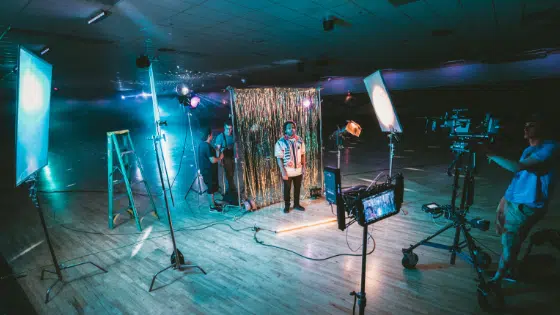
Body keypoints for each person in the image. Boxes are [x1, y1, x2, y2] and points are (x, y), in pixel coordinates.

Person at [487, 113, 558, 284]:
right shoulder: (529, 150)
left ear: (543, 127)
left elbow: (517, 168)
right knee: (509, 240)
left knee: (510, 242)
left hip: (527, 205)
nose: (526, 128)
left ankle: (498, 280)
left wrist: (489, 154)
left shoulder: (551, 148)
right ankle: (510, 268)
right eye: (525, 124)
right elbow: (519, 178)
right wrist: (504, 199)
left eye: (531, 125)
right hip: (515, 202)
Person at [275, 121, 306, 213]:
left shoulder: (300, 140)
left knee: (297, 188)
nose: (291, 129)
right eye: (289, 128)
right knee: (287, 189)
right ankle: (287, 206)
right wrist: (283, 171)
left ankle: (296, 204)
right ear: (285, 130)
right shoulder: (280, 142)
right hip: (287, 171)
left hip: (298, 170)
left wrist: (304, 167)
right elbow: (279, 158)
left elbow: (303, 154)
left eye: (293, 127)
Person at [198, 127, 224, 212]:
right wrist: (220, 157)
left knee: (211, 188)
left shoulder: (202, 144)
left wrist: (216, 149)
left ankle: (213, 203)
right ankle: (212, 207)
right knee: (210, 189)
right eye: (212, 134)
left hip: (206, 170)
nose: (212, 136)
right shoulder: (207, 146)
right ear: (209, 135)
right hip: (208, 171)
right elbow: (212, 160)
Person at [214, 121, 237, 203]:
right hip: (225, 158)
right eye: (228, 129)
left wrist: (236, 156)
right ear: (224, 128)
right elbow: (217, 149)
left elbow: (235, 147)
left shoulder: (232, 136)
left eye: (231, 129)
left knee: (231, 174)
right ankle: (230, 191)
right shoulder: (220, 137)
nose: (229, 130)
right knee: (228, 175)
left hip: (231, 158)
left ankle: (231, 190)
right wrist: (219, 159)